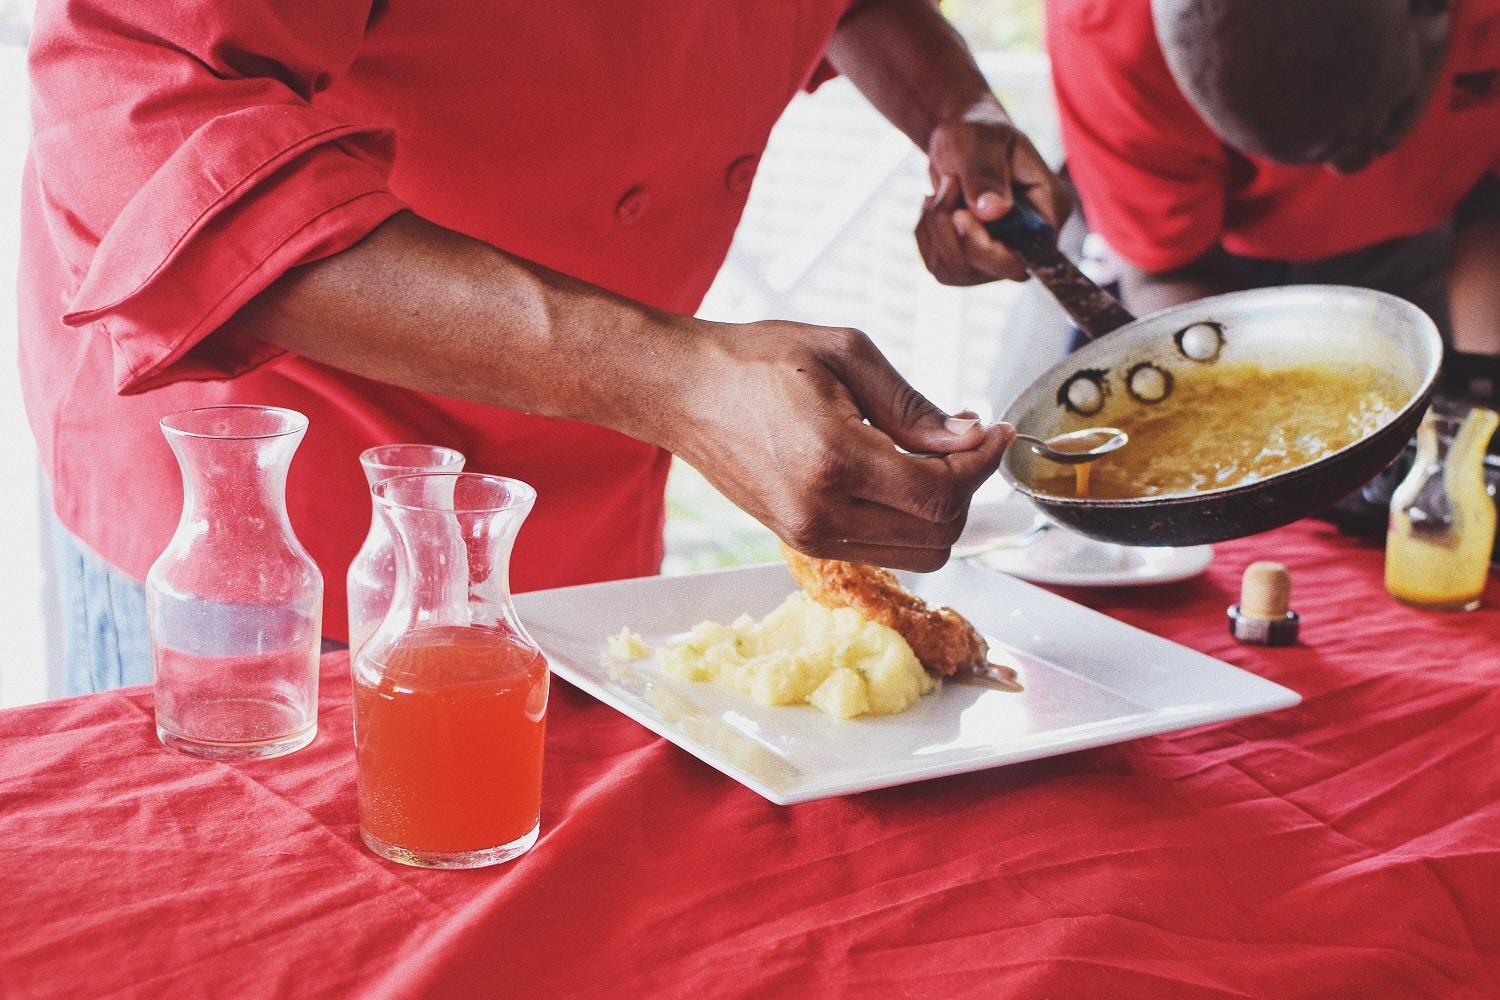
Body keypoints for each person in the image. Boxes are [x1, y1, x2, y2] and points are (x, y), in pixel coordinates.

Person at [19, 0, 1070, 693]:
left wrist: (953, 108)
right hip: (281, 497)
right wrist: (671, 375)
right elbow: (136, 114)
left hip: (592, 497)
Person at [1019, 0, 1500, 403]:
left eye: (1380, 124)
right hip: (1207, 269)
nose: (1349, 173)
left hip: (1449, 237)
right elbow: (1169, 271)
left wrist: (1482, 389)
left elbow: (1490, 205)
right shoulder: (1107, 30)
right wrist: (1269, 418)